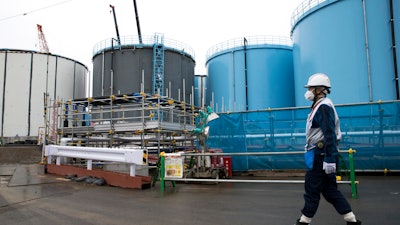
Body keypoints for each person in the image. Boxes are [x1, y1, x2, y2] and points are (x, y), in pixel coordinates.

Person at [295, 73, 361, 225]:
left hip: (321, 154)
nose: (309, 90)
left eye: (311, 88)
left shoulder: (323, 107)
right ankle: (351, 220)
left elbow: (329, 134)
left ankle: (304, 221)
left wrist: (329, 159)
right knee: (330, 191)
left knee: (312, 189)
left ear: (320, 90)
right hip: (321, 154)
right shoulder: (319, 106)